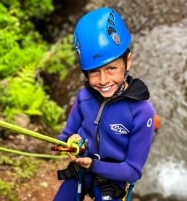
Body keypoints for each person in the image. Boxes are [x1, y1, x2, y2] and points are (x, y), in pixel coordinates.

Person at [53, 7, 155, 201]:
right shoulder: (84, 96)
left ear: (128, 61)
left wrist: (92, 165)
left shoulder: (142, 112)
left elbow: (133, 171)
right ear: (85, 72)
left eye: (111, 68)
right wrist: (68, 145)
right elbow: (65, 137)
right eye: (93, 71)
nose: (103, 80)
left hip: (113, 179)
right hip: (80, 170)